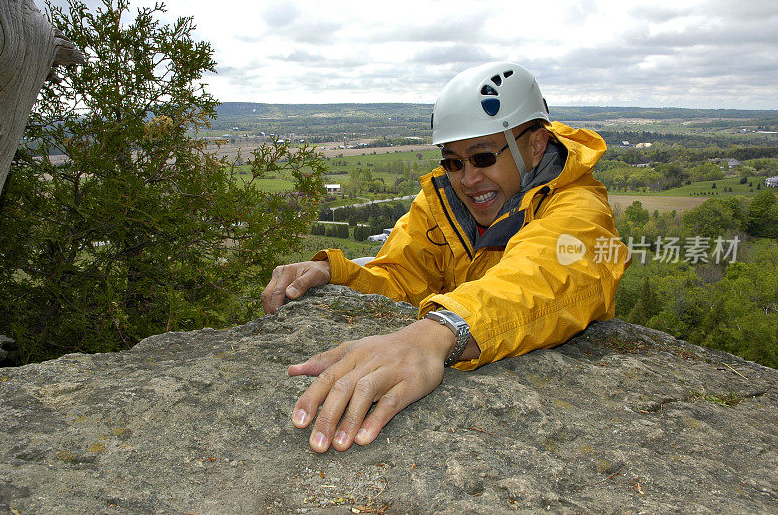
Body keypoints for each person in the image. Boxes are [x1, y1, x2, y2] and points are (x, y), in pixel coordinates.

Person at [261, 62, 628, 453]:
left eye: (483, 157)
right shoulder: (442, 205)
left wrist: (434, 337)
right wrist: (335, 273)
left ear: (535, 145)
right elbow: (401, 277)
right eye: (453, 162)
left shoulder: (579, 209)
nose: (468, 179)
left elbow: (544, 277)